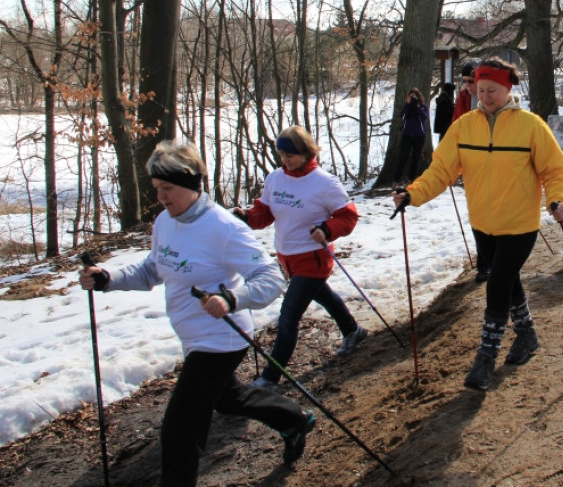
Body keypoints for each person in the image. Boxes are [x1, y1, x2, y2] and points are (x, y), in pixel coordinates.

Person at [79, 141, 314, 486]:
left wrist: (232, 299)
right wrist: (108, 278)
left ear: (190, 185)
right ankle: (293, 419)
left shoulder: (223, 228)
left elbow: (272, 278)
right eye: (157, 189)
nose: (160, 196)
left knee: (180, 430)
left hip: (222, 338)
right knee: (228, 398)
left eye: (167, 188)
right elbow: (152, 270)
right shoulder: (165, 222)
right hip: (192, 337)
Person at [391, 57, 563, 392]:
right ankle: (527, 335)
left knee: (497, 283)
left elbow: (554, 171)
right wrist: (412, 194)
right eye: (480, 89)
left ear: (508, 89)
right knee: (507, 278)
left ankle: (486, 356)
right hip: (483, 224)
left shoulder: (530, 126)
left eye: (492, 90)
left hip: (520, 224)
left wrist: (556, 199)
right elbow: (441, 171)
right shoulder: (463, 127)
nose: (485, 96)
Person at [234, 126, 365, 389]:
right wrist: (246, 217)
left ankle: (270, 378)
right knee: (322, 294)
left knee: (288, 317)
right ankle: (353, 331)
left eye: (290, 156)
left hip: (314, 258)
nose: (285, 161)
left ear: (306, 153)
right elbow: (266, 213)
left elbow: (348, 216)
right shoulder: (275, 179)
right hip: (287, 258)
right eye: (281, 155)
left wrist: (327, 230)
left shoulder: (325, 183)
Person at [397, 88, 429, 182]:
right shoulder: (407, 106)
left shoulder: (423, 106)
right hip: (407, 134)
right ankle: (397, 179)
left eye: (415, 97)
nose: (413, 99)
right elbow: (402, 116)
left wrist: (417, 106)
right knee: (403, 156)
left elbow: (423, 118)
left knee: (415, 158)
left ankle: (411, 178)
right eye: (411, 97)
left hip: (419, 135)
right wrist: (407, 104)